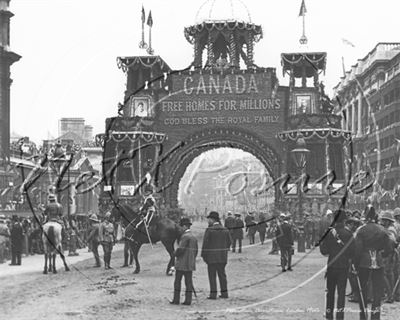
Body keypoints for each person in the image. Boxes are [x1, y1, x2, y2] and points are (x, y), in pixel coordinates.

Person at [354, 206, 396, 320]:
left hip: (364, 262)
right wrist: (382, 255)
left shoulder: (361, 230)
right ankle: (375, 316)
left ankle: (363, 316)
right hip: (378, 260)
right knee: (377, 292)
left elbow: (357, 249)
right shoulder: (383, 230)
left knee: (363, 290)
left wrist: (355, 263)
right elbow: (389, 247)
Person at [320, 209, 355, 320]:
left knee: (330, 292)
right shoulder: (348, 233)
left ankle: (329, 315)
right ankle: (340, 317)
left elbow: (324, 251)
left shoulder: (329, 233)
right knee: (341, 293)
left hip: (332, 265)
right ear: (344, 220)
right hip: (344, 266)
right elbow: (352, 251)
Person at [201, 211, 231, 299]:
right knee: (222, 275)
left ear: (212, 220)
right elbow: (229, 242)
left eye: (209, 219)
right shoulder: (225, 230)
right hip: (222, 257)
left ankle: (213, 294)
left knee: (212, 276)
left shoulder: (209, 230)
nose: (208, 221)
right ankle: (224, 293)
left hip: (211, 258)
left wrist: (204, 256)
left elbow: (205, 245)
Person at [170, 218, 198, 306]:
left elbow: (181, 249)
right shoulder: (193, 236)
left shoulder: (185, 236)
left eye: (181, 227)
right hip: (190, 263)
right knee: (188, 282)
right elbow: (195, 251)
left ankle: (176, 299)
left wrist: (174, 254)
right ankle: (188, 300)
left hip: (182, 263)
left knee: (177, 282)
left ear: (185, 226)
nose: (180, 229)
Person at [379, 210, 397, 303]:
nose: (383, 222)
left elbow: (390, 243)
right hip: (390, 254)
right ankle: (391, 295)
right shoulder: (391, 229)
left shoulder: (390, 230)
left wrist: (385, 253)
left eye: (385, 220)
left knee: (384, 274)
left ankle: (390, 296)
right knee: (389, 275)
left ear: (388, 221)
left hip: (388, 255)